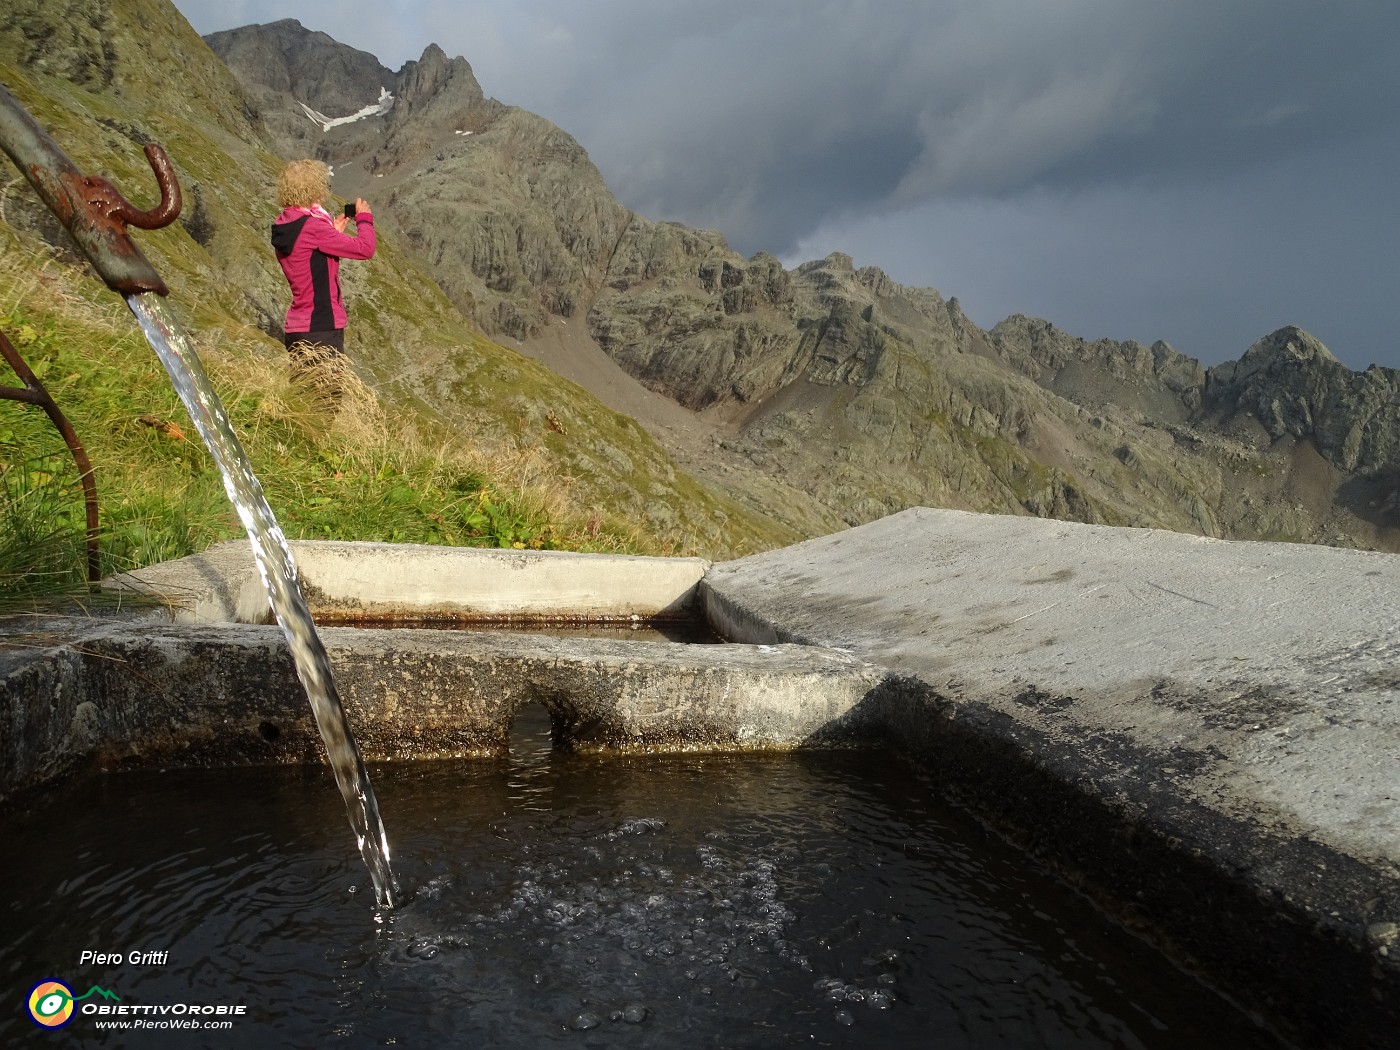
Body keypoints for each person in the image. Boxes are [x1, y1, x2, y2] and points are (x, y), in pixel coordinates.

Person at [270, 159, 375, 401]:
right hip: (321, 327)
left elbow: (306, 256)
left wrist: (332, 235)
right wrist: (364, 219)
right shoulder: (313, 228)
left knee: (303, 400)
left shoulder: (286, 225)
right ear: (315, 189)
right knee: (325, 403)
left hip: (298, 327)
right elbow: (365, 249)